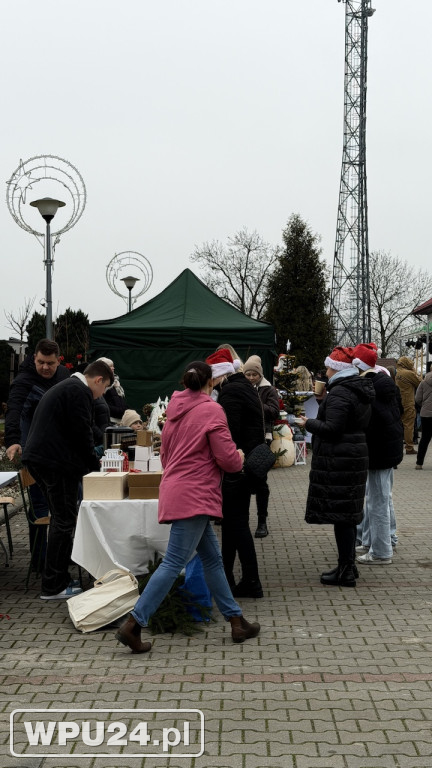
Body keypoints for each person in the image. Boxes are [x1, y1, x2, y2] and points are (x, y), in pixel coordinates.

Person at [115, 361, 260, 653]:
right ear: (211, 383)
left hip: (178, 490)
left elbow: (166, 457)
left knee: (212, 559)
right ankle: (134, 623)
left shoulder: (172, 413)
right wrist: (240, 456)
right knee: (173, 563)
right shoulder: (211, 410)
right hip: (197, 494)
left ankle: (236, 621)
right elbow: (228, 460)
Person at [22, 360, 114, 600]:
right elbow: (81, 434)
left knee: (62, 520)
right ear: (98, 380)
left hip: (47, 460)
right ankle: (53, 585)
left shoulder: (71, 387)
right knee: (64, 521)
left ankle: (57, 578)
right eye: (103, 389)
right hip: (55, 463)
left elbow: (83, 431)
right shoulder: (78, 391)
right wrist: (96, 468)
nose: (100, 396)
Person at [298, 346, 375, 587]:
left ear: (337, 368)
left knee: (343, 517)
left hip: (341, 459)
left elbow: (333, 428)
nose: (326, 372)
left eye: (329, 367)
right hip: (351, 456)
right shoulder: (354, 388)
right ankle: (348, 565)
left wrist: (308, 422)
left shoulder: (341, 392)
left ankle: (345, 571)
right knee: (347, 516)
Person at [5, 339, 70, 563]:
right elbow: (13, 411)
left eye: (50, 363)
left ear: (58, 361)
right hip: (35, 455)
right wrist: (13, 441)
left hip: (62, 454)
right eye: (41, 362)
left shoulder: (63, 376)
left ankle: (66, 555)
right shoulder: (23, 382)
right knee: (40, 505)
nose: (45, 367)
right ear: (34, 358)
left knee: (67, 507)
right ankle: (40, 560)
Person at [212, 349, 265, 598]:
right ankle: (229, 577)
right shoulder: (244, 387)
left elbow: (227, 434)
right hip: (245, 466)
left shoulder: (231, 391)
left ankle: (251, 580)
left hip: (238, 467)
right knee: (234, 525)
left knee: (237, 525)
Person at [352, 344, 403, 565]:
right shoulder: (384, 384)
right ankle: (382, 540)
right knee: (381, 498)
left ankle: (381, 552)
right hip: (387, 449)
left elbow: (371, 423)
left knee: (377, 501)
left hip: (379, 451)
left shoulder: (370, 388)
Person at [243, 354, 280, 538]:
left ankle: (262, 521)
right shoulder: (240, 389)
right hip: (242, 440)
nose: (250, 378)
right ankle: (242, 522)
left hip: (261, 440)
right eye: (247, 374)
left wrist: (256, 404)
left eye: (254, 375)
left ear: (260, 375)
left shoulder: (268, 390)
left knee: (260, 482)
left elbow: (274, 411)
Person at [395, 356, 422, 455]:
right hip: (408, 402)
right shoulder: (408, 373)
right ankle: (409, 447)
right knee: (408, 425)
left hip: (399, 402)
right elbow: (420, 383)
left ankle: (398, 446)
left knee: (400, 425)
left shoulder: (397, 372)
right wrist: (414, 371)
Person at [97, 357, 127, 423]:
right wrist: (119, 411)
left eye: (113, 366)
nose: (113, 368)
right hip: (109, 420)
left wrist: (125, 411)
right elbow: (102, 405)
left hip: (120, 420)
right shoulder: (102, 384)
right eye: (110, 366)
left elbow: (121, 401)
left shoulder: (116, 384)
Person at [415, 367, 432, 469]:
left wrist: (424, 405)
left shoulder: (423, 382)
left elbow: (417, 398)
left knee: (425, 438)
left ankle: (419, 463)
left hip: (426, 414)